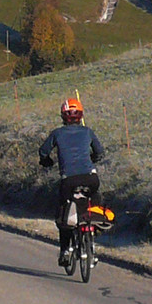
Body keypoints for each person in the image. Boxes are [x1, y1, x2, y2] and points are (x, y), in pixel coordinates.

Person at [38, 95, 104, 266]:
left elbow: (43, 152)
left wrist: (47, 162)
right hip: (91, 178)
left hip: (69, 180)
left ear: (63, 116)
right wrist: (92, 158)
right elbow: (100, 152)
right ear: (81, 115)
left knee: (64, 213)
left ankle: (66, 250)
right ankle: (93, 239)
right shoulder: (88, 131)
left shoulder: (57, 133)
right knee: (95, 201)